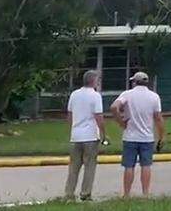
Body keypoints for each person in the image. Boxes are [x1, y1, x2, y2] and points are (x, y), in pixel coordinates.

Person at [111, 72, 164, 197]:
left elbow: (114, 107)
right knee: (146, 165)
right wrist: (162, 136)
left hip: (130, 136)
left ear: (134, 82)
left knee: (129, 166)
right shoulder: (154, 97)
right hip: (147, 137)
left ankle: (127, 194)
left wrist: (121, 122)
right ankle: (145, 194)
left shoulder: (127, 95)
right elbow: (158, 118)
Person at [64, 70, 106, 201]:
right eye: (98, 80)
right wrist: (104, 133)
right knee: (89, 166)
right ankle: (85, 193)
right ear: (94, 81)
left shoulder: (74, 94)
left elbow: (70, 115)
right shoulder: (95, 96)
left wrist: (73, 128)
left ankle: (69, 193)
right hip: (90, 136)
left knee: (74, 167)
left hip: (76, 136)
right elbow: (98, 116)